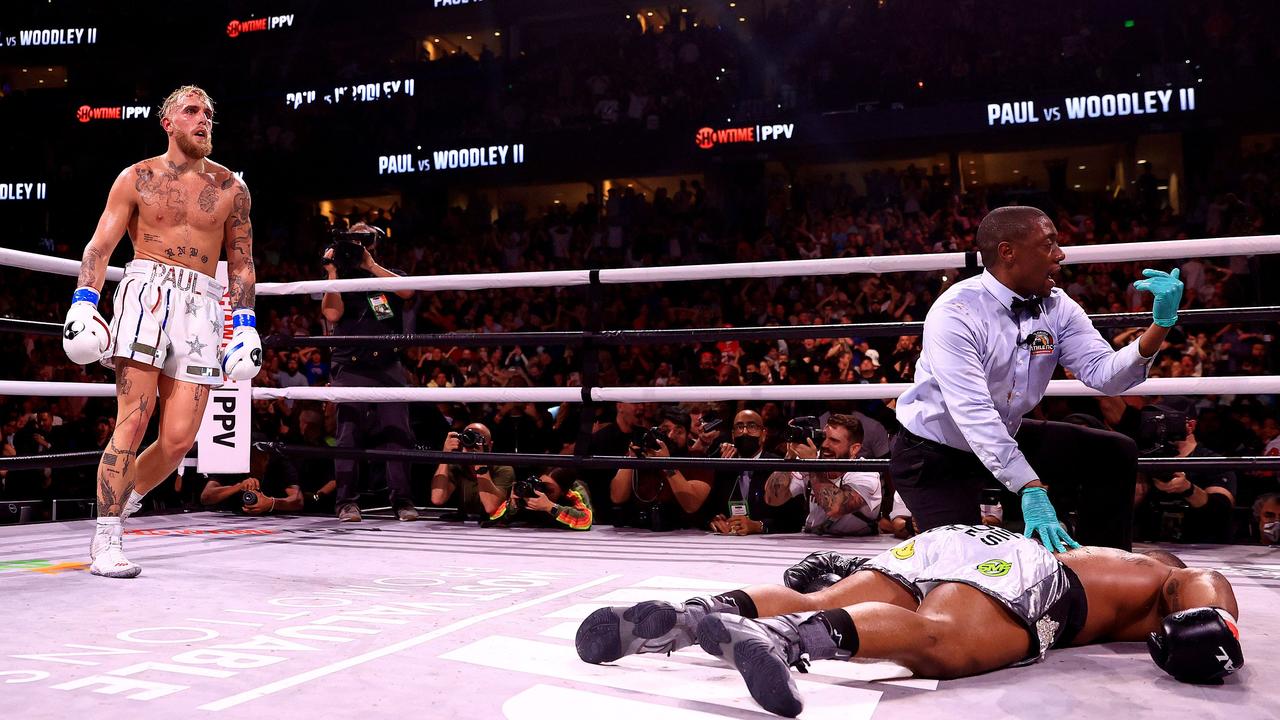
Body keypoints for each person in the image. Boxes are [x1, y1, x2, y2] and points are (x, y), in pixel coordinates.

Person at [576, 524, 1243, 718]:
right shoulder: (1151, 573)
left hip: (956, 541)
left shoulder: (1109, 565)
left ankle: (696, 618)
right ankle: (785, 640)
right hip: (1028, 572)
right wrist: (1215, 622)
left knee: (829, 596)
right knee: (942, 640)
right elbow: (1200, 581)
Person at [891, 205, 1184, 552]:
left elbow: (1106, 375)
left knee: (1112, 452)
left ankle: (1106, 570)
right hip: (936, 454)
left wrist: (1160, 325)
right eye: (1048, 244)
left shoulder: (1058, 306)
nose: (1060, 255)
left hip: (1005, 435)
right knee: (968, 568)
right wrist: (1029, 485)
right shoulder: (955, 313)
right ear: (1008, 252)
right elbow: (973, 412)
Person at [61, 85, 261, 578]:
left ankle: (123, 496)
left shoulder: (232, 189)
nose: (203, 119)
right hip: (146, 291)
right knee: (133, 418)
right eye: (191, 111)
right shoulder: (137, 177)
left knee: (177, 440)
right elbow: (99, 247)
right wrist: (84, 300)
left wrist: (247, 324)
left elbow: (242, 263)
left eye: (208, 113)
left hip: (203, 304)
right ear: (167, 122)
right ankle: (106, 536)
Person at [320, 222, 418, 522]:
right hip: (350, 363)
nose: (357, 242)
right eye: (353, 237)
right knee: (348, 434)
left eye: (363, 238)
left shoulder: (389, 273)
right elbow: (332, 313)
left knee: (397, 432)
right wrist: (333, 272)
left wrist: (371, 265)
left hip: (387, 363)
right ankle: (347, 502)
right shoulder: (342, 274)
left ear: (374, 242)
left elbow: (407, 290)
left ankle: (402, 501)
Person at [764, 413, 882, 536]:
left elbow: (835, 508)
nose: (825, 445)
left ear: (854, 449)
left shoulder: (866, 473)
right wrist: (790, 457)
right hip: (812, 540)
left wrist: (812, 466)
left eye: (834, 441)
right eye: (824, 437)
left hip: (855, 545)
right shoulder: (814, 459)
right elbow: (772, 498)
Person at [704, 410, 805, 536]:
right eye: (740, 427)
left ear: (763, 434)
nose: (745, 432)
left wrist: (759, 526)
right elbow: (706, 509)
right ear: (733, 434)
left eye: (752, 426)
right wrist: (714, 520)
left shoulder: (778, 467)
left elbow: (795, 520)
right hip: (726, 543)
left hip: (768, 546)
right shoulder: (723, 466)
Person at [430, 422, 515, 520]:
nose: (473, 442)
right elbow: (437, 499)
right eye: (469, 437)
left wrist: (480, 460)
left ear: (490, 445)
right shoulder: (457, 466)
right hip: (465, 525)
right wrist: (445, 455)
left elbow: (490, 507)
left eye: (479, 439)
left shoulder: (503, 468)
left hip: (493, 525)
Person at [484, 467, 593, 530]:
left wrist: (550, 507)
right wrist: (513, 505)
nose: (542, 493)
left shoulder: (575, 491)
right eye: (542, 486)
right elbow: (494, 519)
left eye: (549, 490)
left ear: (563, 492)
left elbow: (586, 520)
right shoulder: (531, 489)